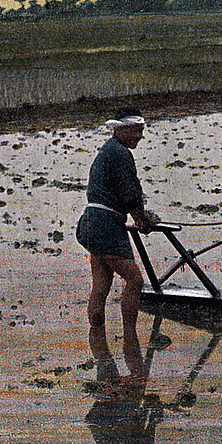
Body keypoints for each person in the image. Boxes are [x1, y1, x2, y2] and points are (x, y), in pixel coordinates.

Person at [76, 107, 160, 367]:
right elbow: (129, 191)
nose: (140, 137)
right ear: (120, 129)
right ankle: (130, 339)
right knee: (135, 280)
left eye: (142, 131)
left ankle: (99, 345)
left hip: (90, 223)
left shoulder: (107, 151)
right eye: (137, 131)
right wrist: (142, 219)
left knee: (101, 284)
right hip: (107, 225)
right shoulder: (120, 154)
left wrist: (138, 216)